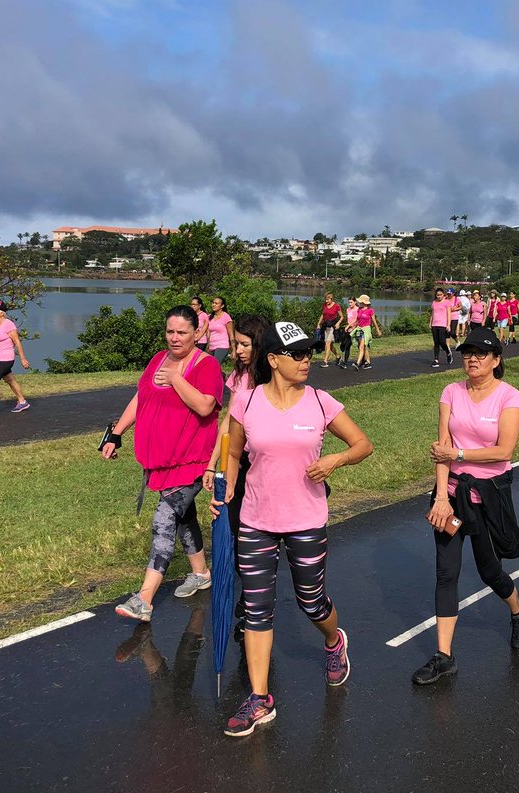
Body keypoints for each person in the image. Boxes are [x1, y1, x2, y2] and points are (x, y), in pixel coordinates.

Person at [215, 321, 373, 736]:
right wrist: (226, 486)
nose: (306, 360)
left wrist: (334, 461)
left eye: (308, 353)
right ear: (273, 360)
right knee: (256, 608)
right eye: (298, 354)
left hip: (305, 519)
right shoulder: (245, 403)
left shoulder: (321, 402)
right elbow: (232, 453)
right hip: (255, 520)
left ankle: (334, 640)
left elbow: (363, 445)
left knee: (311, 601)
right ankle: (260, 697)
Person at [414, 327, 519, 686]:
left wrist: (459, 454)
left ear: (497, 360)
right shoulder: (451, 392)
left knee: (489, 571)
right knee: (446, 573)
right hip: (453, 494)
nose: (473, 359)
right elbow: (441, 448)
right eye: (468, 353)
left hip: (488, 495)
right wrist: (441, 497)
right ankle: (444, 656)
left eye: (482, 353)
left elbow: (504, 450)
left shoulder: (509, 397)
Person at [100, 305, 225, 622]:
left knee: (164, 520)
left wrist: (175, 378)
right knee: (183, 517)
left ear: (197, 333)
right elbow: (141, 397)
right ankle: (200, 572)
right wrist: (115, 434)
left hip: (193, 461)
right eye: (170, 331)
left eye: (182, 332)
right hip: (162, 462)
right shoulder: (158, 358)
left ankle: (144, 598)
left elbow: (206, 405)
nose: (175, 338)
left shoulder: (206, 365)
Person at [211, 313, 272, 641]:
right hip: (239, 463)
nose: (237, 351)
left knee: (259, 538)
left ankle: (255, 603)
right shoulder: (238, 377)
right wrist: (213, 465)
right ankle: (251, 602)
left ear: (259, 345)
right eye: (235, 344)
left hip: (265, 464)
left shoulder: (271, 380)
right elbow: (228, 425)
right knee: (238, 533)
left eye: (245, 345)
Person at [352, 294, 382, 370]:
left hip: (366, 330)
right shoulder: (359, 309)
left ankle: (357, 363)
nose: (359, 303)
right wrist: (350, 326)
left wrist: (378, 330)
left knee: (362, 347)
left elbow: (374, 321)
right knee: (364, 347)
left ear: (365, 302)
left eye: (360, 301)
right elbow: (357, 320)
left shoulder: (370, 310)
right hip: (359, 329)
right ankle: (368, 363)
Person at [429, 288, 456, 368]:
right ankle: (436, 360)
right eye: (437, 295)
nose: (439, 296)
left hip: (443, 324)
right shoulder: (434, 303)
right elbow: (433, 313)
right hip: (435, 324)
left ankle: (448, 352)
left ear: (443, 295)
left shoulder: (447, 302)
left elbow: (449, 314)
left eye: (440, 295)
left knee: (442, 342)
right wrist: (430, 322)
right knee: (436, 342)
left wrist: (448, 325)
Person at [316, 293, 343, 368]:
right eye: (325, 299)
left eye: (327, 299)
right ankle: (338, 356)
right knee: (330, 345)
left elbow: (341, 317)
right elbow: (323, 315)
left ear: (331, 299)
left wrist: (338, 323)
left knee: (327, 343)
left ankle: (325, 361)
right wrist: (318, 324)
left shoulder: (336, 306)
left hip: (332, 327)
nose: (326, 301)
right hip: (325, 326)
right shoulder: (324, 305)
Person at [205, 297, 234, 364]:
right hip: (212, 346)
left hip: (222, 345)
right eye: (213, 303)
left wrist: (234, 350)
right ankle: (223, 375)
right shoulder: (209, 317)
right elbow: (208, 334)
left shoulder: (226, 317)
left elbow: (231, 334)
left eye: (216, 303)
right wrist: (208, 346)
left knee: (214, 365)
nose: (214, 305)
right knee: (209, 366)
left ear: (222, 306)